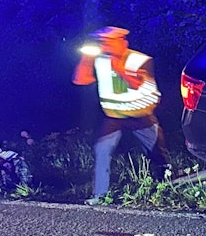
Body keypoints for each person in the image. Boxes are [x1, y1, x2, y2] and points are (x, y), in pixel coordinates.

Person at [73, 26, 171, 204]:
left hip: (140, 114)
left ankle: (166, 184)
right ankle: (100, 195)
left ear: (123, 42)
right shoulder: (100, 59)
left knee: (157, 152)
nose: (105, 46)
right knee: (102, 150)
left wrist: (118, 67)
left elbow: (139, 85)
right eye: (103, 43)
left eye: (110, 42)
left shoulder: (140, 59)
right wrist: (86, 58)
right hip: (114, 116)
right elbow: (80, 80)